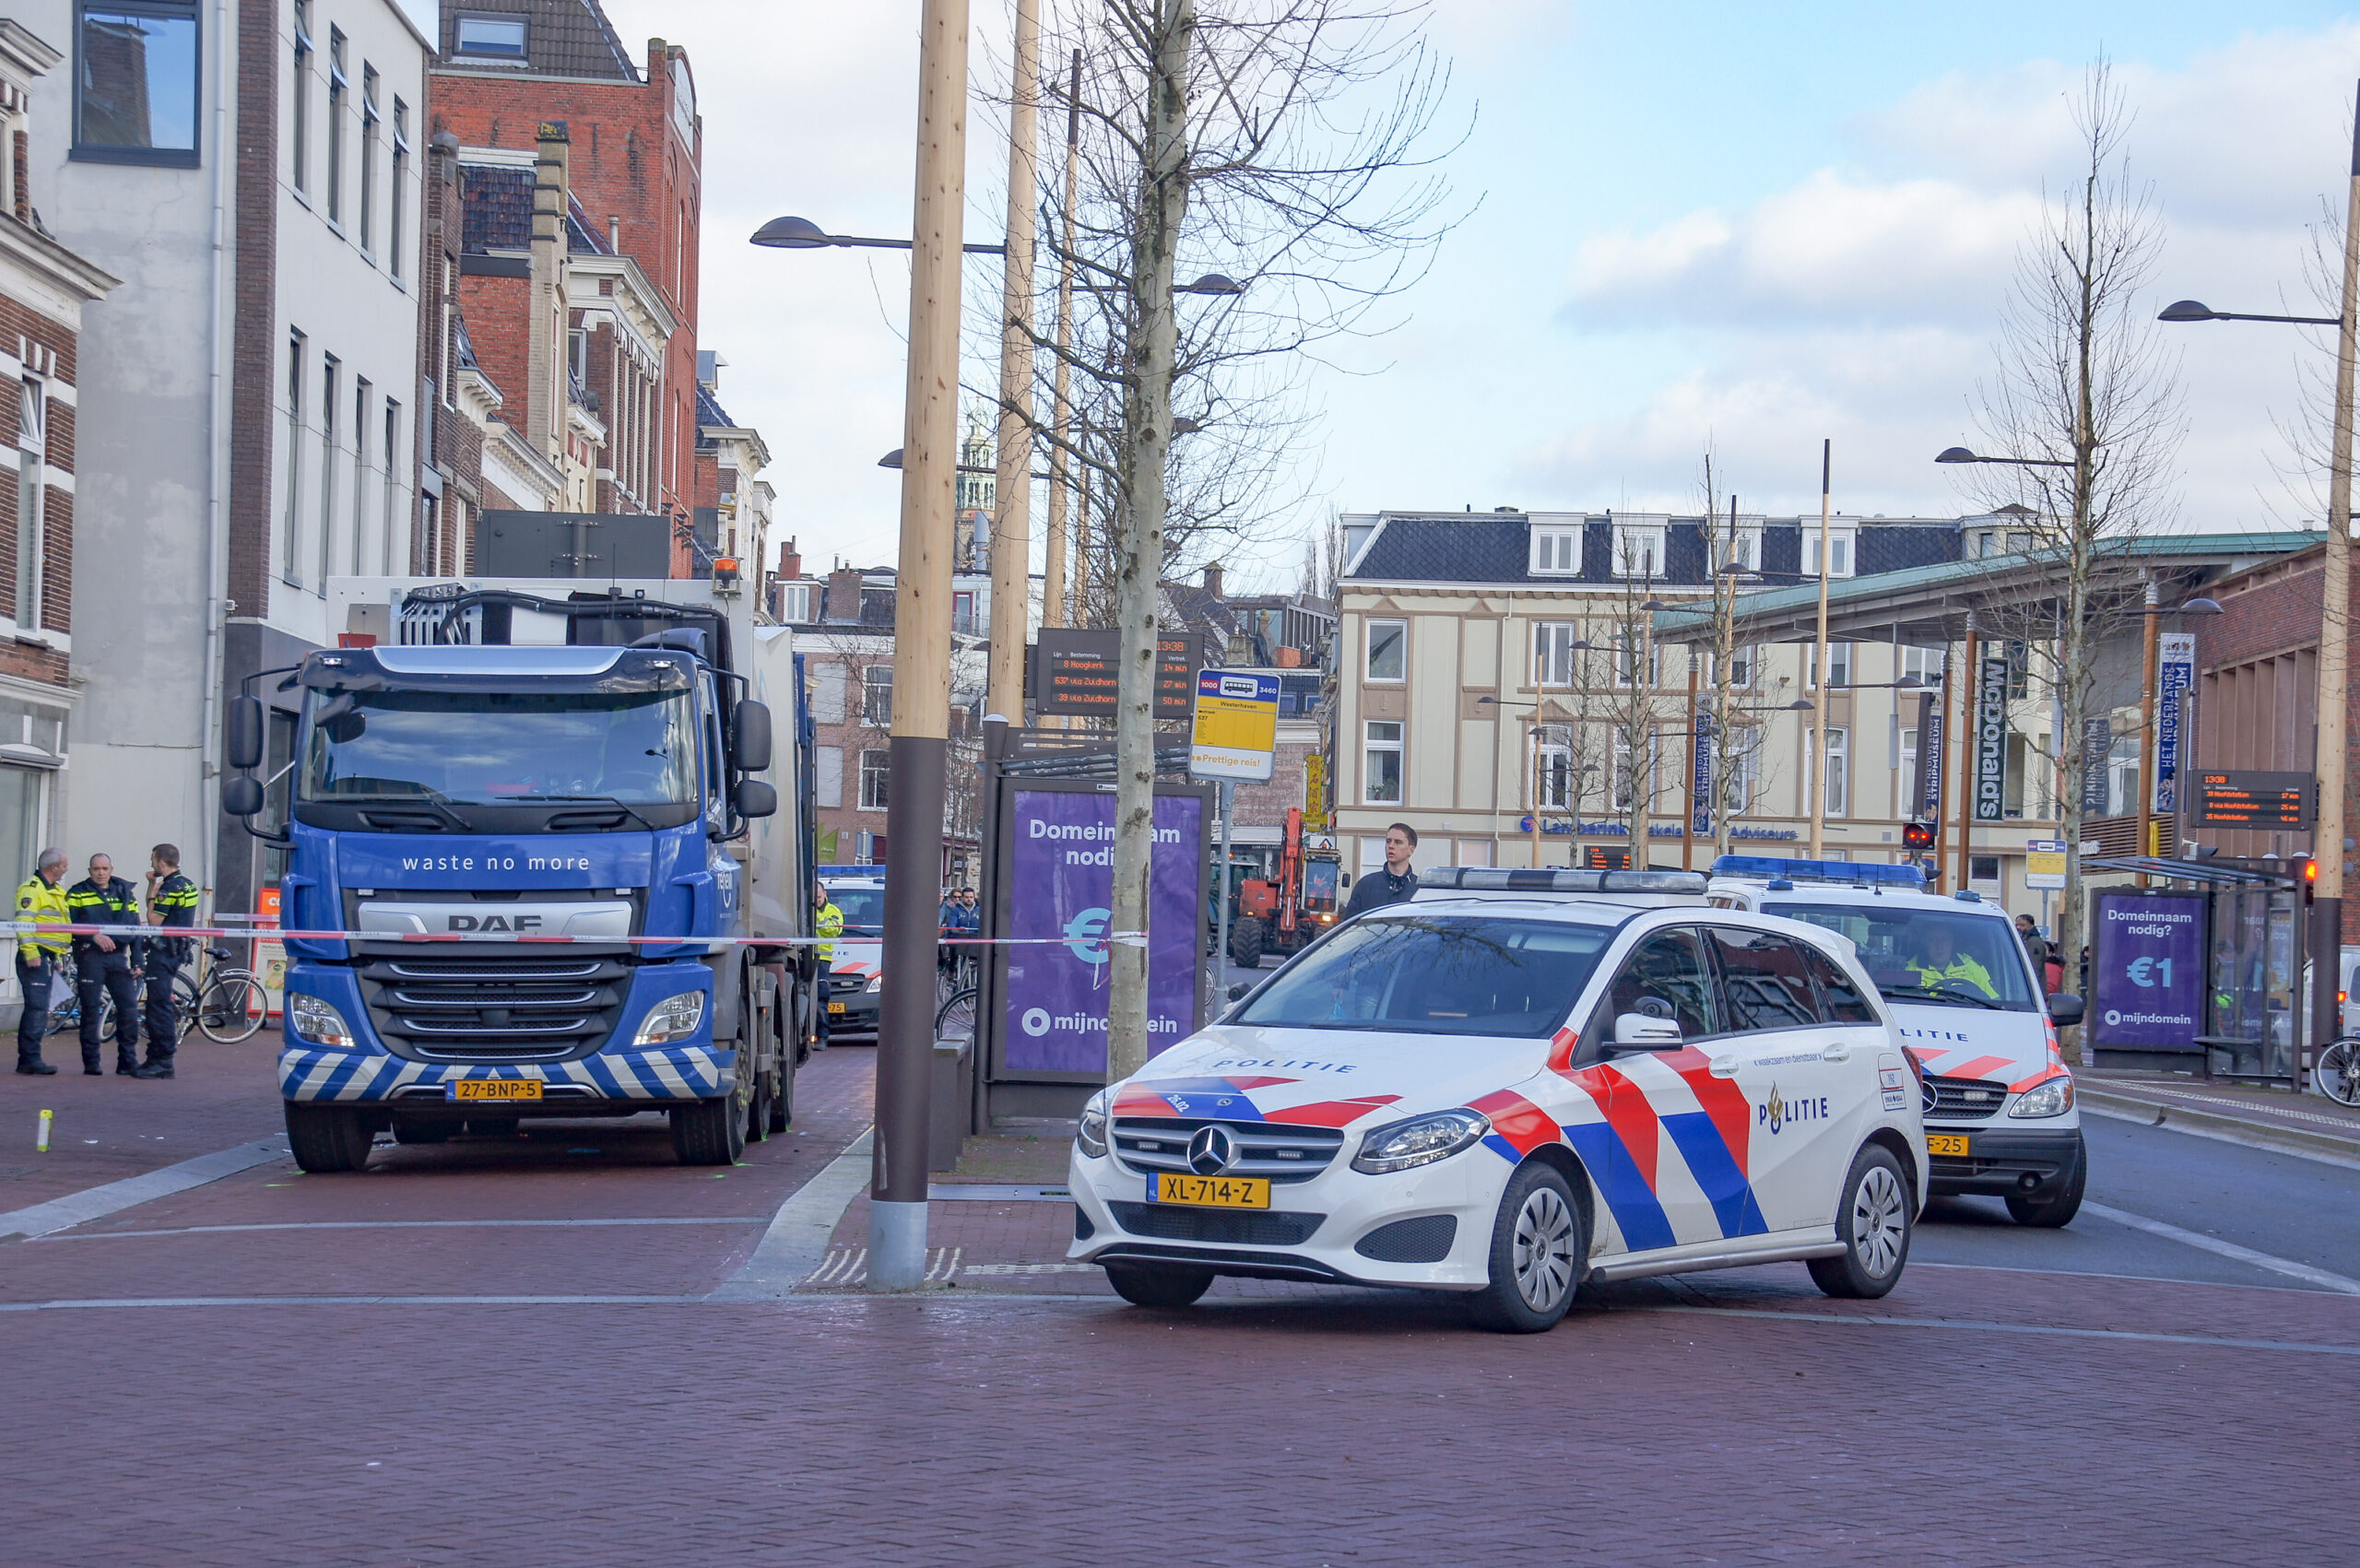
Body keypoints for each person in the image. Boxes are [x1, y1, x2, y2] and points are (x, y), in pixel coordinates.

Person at [65, 853, 144, 1075]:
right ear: (90, 870)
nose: (101, 873)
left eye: (105, 868)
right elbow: (68, 926)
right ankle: (91, 1063)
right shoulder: (77, 893)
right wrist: (93, 936)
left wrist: (138, 961)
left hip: (119, 957)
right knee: (91, 1011)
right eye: (96, 869)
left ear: (111, 869)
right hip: (91, 957)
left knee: (128, 1008)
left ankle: (127, 1061)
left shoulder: (125, 893)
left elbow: (136, 929)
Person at [136, 843, 199, 1079]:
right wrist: (154, 886)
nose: (152, 864)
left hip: (163, 951)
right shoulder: (188, 884)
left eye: (153, 860)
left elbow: (153, 920)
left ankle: (162, 1061)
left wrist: (154, 889)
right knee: (158, 1004)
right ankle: (154, 1058)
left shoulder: (169, 888)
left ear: (161, 862)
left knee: (158, 1006)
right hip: (177, 950)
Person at [14, 847, 69, 1075]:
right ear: (54, 867)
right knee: (36, 1008)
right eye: (64, 865)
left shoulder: (55, 891)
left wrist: (57, 957)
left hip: (47, 955)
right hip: (35, 956)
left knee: (40, 1008)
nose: (66, 869)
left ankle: (30, 1058)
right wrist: (31, 953)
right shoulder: (32, 890)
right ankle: (29, 1059)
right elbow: (24, 924)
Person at [1341, 823, 1421, 920]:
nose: (1391, 846)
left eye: (1398, 842)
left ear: (1411, 850)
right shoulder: (1365, 885)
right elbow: (1350, 927)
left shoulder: (1420, 891)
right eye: (1388, 841)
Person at [1905, 921, 1998, 1000]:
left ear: (1952, 942)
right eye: (1932, 940)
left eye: (1944, 940)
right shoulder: (1910, 969)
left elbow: (1994, 1002)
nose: (1939, 946)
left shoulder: (1972, 967)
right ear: (1924, 943)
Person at [812, 881, 844, 1051]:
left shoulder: (833, 911)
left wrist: (815, 915)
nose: (817, 901)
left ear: (825, 894)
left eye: (818, 897)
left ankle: (823, 1036)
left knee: (821, 998)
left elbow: (833, 930)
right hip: (805, 957)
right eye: (814, 898)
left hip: (822, 959)